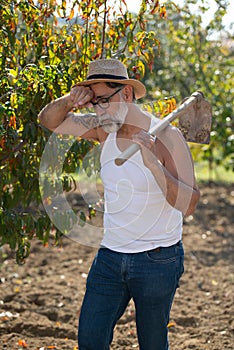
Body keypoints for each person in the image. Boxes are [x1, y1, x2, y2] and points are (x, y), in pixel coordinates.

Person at [39, 58, 200, 350]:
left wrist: (153, 164)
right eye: (93, 102)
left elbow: (189, 205)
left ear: (126, 94)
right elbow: (49, 121)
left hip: (157, 260)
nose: (97, 110)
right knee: (90, 340)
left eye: (103, 100)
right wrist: (71, 100)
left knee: (152, 343)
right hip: (111, 257)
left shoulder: (167, 136)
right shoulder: (103, 129)